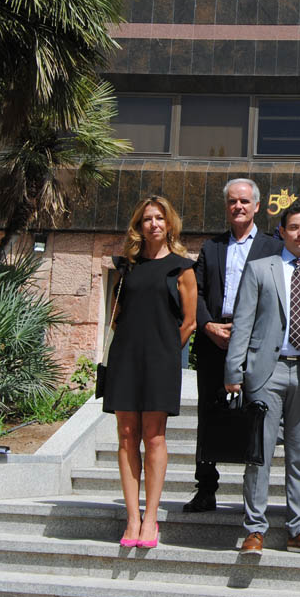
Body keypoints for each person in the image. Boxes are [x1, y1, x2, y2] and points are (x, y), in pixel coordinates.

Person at [225, 201, 300, 556]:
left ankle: (298, 529)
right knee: (259, 454)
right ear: (283, 232)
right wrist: (233, 371)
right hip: (265, 373)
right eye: (294, 228)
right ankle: (255, 529)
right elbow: (242, 323)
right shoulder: (260, 269)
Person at [184, 179, 283, 513]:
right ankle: (205, 487)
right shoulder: (211, 247)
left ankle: (251, 495)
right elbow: (194, 291)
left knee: (253, 417)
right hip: (215, 337)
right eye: (232, 202)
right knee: (208, 414)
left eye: (244, 201)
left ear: (257, 206)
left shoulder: (272, 247)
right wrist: (208, 324)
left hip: (254, 344)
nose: (238, 206)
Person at [104, 196, 197, 549]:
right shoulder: (126, 266)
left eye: (159, 218)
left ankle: (151, 517)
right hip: (126, 356)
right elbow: (118, 315)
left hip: (161, 360)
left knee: (153, 435)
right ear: (138, 226)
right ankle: (131, 518)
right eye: (147, 219)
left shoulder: (181, 267)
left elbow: (189, 322)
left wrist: (169, 351)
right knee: (126, 434)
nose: (154, 224)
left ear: (169, 224)